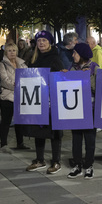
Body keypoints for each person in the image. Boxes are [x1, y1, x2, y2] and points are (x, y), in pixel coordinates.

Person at [25, 31, 65, 174]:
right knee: (38, 131)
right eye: (39, 40)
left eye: (44, 40)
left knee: (54, 131)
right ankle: (40, 159)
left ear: (49, 42)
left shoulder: (55, 58)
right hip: (37, 99)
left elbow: (60, 77)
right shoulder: (34, 58)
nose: (41, 43)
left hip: (51, 100)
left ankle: (56, 161)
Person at [66, 43, 99, 179]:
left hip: (90, 108)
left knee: (90, 138)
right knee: (76, 138)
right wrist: (64, 76)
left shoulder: (94, 67)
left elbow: (98, 88)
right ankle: (77, 164)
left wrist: (87, 79)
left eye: (75, 53)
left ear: (82, 55)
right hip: (76, 108)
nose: (73, 55)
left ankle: (89, 165)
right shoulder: (72, 67)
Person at [0, 42, 29, 154]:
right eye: (9, 51)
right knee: (6, 121)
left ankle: (20, 143)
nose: (12, 53)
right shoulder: (3, 64)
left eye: (14, 50)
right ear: (6, 52)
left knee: (19, 121)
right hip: (7, 96)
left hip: (20, 96)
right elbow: (4, 80)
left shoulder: (22, 64)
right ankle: (3, 144)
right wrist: (17, 84)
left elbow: (28, 76)